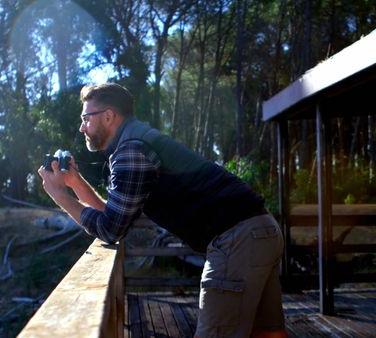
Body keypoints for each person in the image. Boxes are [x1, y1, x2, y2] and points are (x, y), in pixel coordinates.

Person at [38, 83, 287, 338]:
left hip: (236, 240)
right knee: (268, 334)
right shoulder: (138, 140)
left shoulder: (131, 151)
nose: (82, 127)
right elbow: (112, 211)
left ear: (109, 116)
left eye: (85, 118)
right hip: (261, 230)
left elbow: (110, 229)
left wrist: (59, 196)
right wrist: (75, 183)